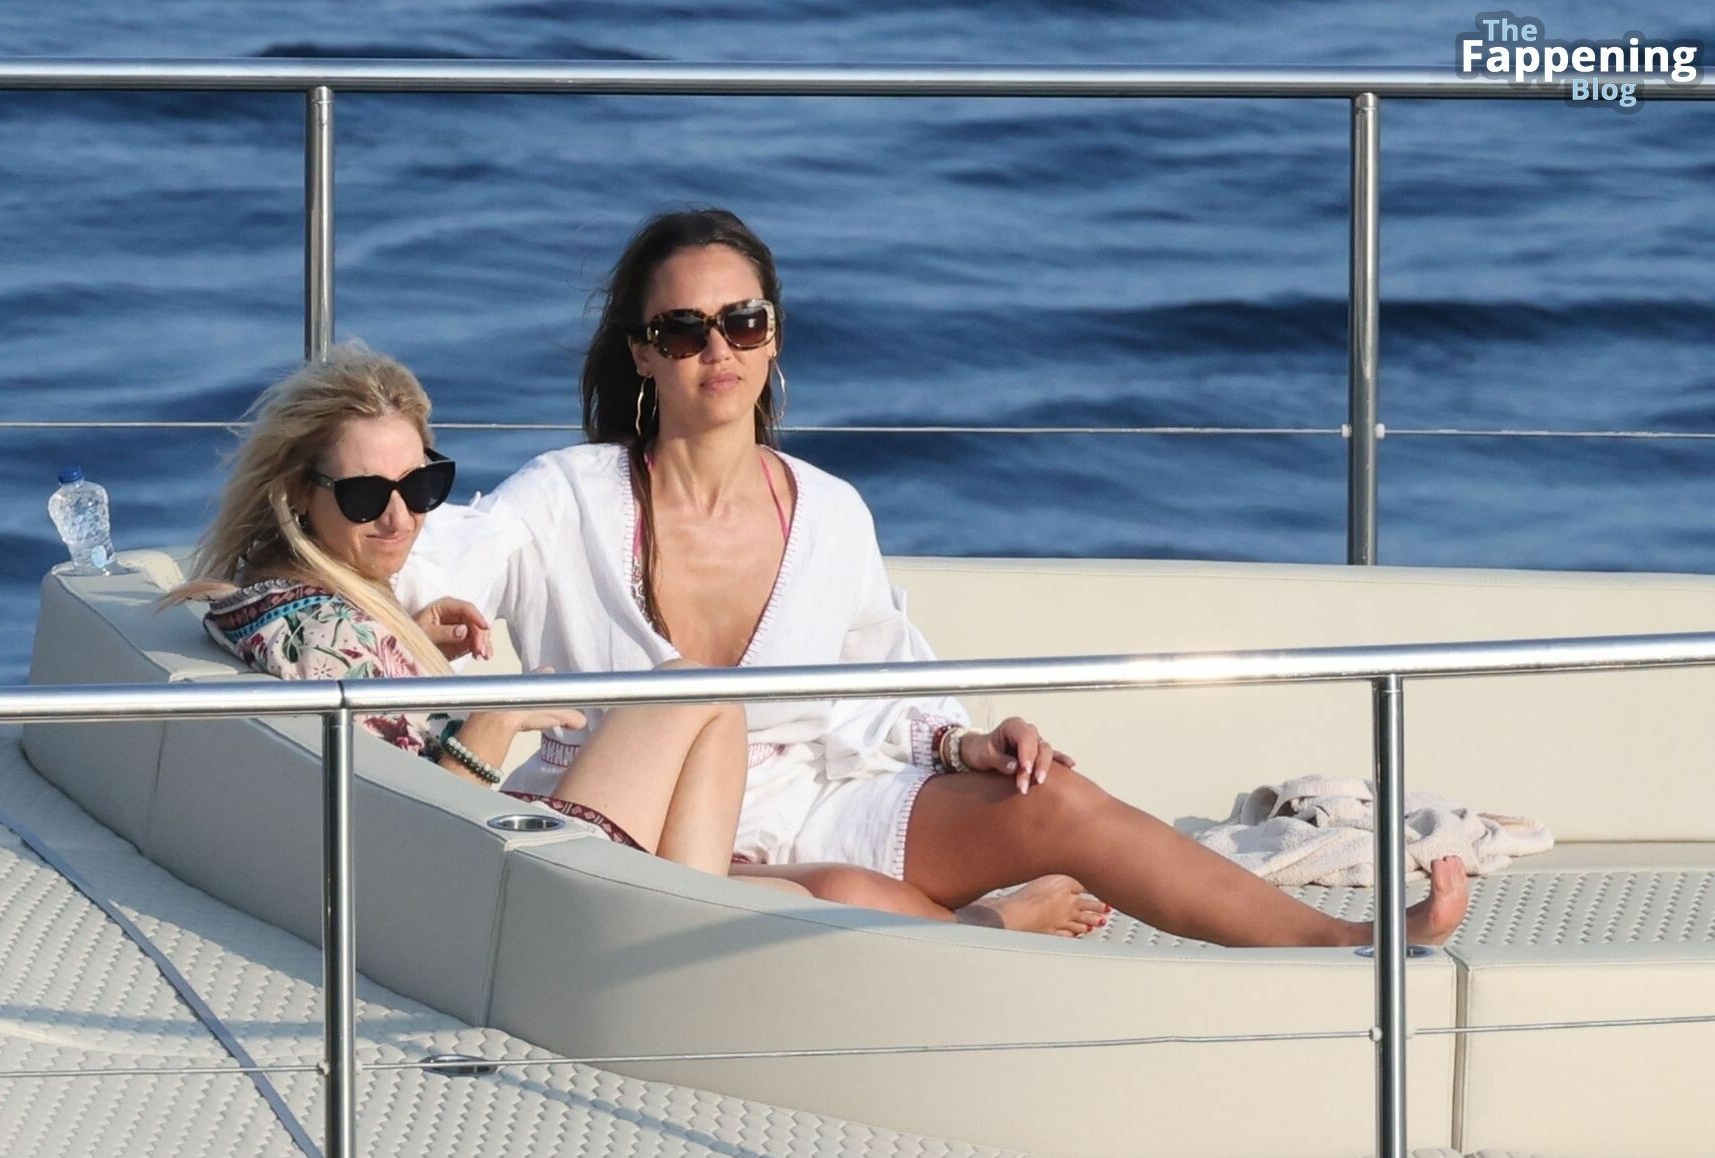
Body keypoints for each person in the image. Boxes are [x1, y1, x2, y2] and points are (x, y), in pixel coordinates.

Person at [398, 207, 1470, 948]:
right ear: (641, 352)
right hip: (639, 820)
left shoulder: (828, 511)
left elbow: (882, 689)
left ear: (773, 338)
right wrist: (432, 605)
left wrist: (967, 745)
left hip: (815, 800)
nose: (716, 348)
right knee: (848, 898)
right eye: (682, 329)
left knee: (1055, 799)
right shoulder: (568, 495)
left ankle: (1342, 942)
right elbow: (430, 558)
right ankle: (986, 924)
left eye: (742, 321)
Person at [164, 342, 747, 873]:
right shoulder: (327, 636)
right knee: (699, 691)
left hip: (481, 864)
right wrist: (498, 720)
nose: (399, 518)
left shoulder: (288, 603)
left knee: (801, 884)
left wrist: (404, 641)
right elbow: (418, 845)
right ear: (297, 490)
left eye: (420, 486)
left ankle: (699, 905)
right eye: (364, 495)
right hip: (489, 884)